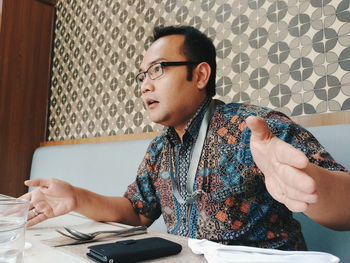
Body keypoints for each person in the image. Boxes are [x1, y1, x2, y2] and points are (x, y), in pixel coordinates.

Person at [22, 25, 350, 250]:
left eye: (158, 69)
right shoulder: (160, 147)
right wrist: (75, 198)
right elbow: (136, 211)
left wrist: (310, 183)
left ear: (200, 74)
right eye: (142, 75)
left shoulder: (253, 127)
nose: (144, 85)